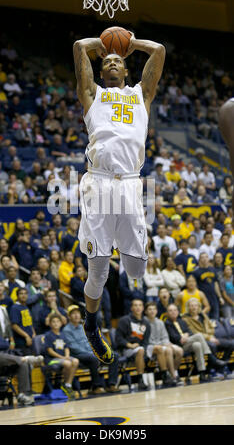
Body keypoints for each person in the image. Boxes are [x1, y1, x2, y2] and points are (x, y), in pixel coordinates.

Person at [73, 32, 165, 364]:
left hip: (129, 184)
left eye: (119, 61)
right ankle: (92, 323)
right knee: (97, 269)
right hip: (98, 183)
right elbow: (79, 48)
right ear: (100, 71)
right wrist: (101, 43)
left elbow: (159, 50)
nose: (112, 61)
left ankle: (121, 317)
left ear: (126, 71)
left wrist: (132, 42)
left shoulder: (141, 94)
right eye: (108, 60)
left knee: (137, 270)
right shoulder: (93, 94)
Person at [63, 305, 119, 394]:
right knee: (92, 358)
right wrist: (93, 353)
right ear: (69, 317)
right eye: (73, 314)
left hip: (92, 353)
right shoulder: (66, 330)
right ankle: (96, 386)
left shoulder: (84, 327)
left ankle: (111, 384)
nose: (76, 315)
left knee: (114, 356)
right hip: (79, 355)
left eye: (77, 313)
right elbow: (73, 347)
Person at [165, 304, 226, 383]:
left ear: (177, 312)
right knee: (199, 336)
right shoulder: (167, 323)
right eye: (170, 310)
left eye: (175, 310)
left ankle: (202, 373)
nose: (173, 312)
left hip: (187, 343)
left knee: (198, 345)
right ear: (167, 313)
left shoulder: (181, 321)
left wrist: (187, 335)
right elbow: (173, 337)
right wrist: (183, 337)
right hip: (178, 346)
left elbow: (189, 332)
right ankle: (211, 358)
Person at [183, 298, 234, 363]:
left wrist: (211, 336)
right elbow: (194, 332)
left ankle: (224, 362)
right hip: (199, 341)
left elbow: (211, 328)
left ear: (199, 306)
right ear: (188, 307)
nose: (194, 308)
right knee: (212, 345)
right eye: (192, 306)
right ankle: (212, 368)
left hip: (211, 338)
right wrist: (209, 338)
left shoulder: (203, 316)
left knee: (231, 344)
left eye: (196, 305)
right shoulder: (186, 319)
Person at [115, 299, 151, 391]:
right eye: (135, 305)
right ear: (131, 308)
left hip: (141, 348)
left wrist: (145, 348)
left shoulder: (146, 322)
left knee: (160, 349)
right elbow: (118, 339)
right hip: (126, 349)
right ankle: (140, 380)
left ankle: (166, 375)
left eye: (140, 305)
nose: (138, 307)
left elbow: (146, 341)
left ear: (143, 308)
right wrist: (129, 345)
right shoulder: (124, 320)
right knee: (140, 350)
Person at [145, 302, 182, 386]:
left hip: (162, 344)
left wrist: (165, 343)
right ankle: (174, 376)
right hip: (151, 346)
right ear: (146, 311)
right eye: (150, 309)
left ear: (157, 311)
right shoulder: (144, 322)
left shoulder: (160, 322)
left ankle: (172, 371)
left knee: (179, 351)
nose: (152, 311)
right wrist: (163, 344)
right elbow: (147, 340)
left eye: (154, 309)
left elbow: (165, 337)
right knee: (168, 350)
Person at [44, 313, 79, 399]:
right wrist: (62, 358)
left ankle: (67, 384)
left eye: (57, 321)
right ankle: (66, 384)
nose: (56, 323)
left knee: (75, 361)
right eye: (53, 322)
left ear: (61, 323)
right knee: (67, 363)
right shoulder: (48, 335)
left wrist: (67, 355)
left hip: (63, 358)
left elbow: (66, 347)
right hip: (52, 359)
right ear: (50, 324)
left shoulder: (63, 334)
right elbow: (50, 351)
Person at [194, 252, 224, 320]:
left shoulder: (213, 270)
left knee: (216, 319)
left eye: (206, 257)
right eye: (202, 257)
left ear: (208, 259)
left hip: (214, 298)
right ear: (200, 260)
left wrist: (220, 297)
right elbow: (196, 287)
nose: (204, 259)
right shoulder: (196, 272)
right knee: (205, 319)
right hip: (204, 299)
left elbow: (216, 284)